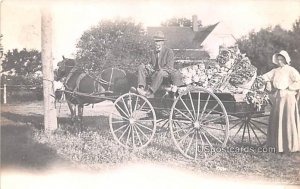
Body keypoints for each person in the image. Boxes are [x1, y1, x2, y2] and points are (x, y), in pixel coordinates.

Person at [262, 50, 300, 153]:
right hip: (278, 96)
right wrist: (268, 82)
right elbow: (264, 77)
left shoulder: (291, 70)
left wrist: (289, 87)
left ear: (286, 59)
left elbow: (298, 81)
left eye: (281, 59)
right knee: (277, 119)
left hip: (288, 97)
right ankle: (277, 146)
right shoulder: (275, 70)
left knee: (288, 120)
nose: (279, 61)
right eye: (278, 59)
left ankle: (289, 146)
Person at [137, 31, 177, 98]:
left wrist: (158, 70)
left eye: (158, 41)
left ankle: (150, 92)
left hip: (166, 72)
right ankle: (141, 88)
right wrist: (148, 66)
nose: (156, 43)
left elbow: (169, 66)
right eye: (155, 41)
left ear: (162, 42)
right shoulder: (153, 52)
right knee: (141, 66)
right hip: (155, 72)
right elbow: (152, 64)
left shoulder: (169, 51)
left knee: (160, 72)